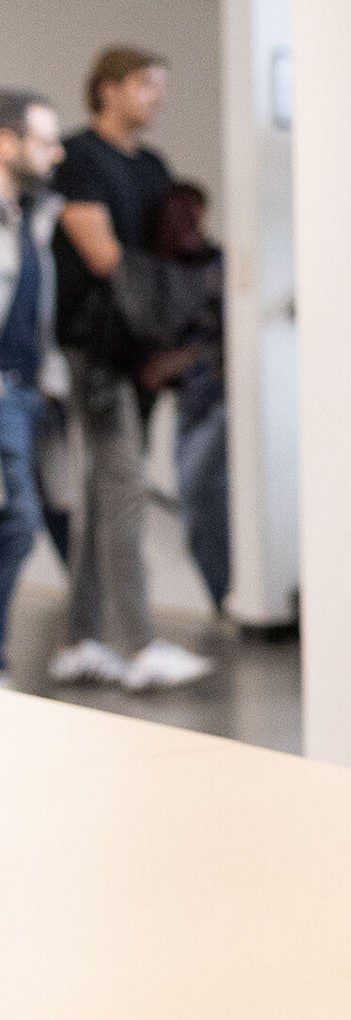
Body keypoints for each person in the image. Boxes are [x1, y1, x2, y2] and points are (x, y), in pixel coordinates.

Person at [49, 47, 212, 693]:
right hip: (97, 352)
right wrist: (162, 296)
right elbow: (100, 253)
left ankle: (78, 640)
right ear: (108, 89)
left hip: (141, 353)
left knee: (102, 495)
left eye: (161, 87)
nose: (157, 98)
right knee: (124, 489)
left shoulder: (152, 167)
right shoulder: (79, 159)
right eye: (145, 85)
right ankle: (139, 644)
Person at [135, 182, 229, 614]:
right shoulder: (160, 269)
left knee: (196, 491)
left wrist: (179, 361)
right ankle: (219, 596)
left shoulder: (215, 266)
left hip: (216, 399)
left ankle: (224, 595)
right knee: (190, 499)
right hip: (186, 403)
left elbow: (225, 335)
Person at [0, 88, 68, 682]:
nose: (57, 151)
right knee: (18, 518)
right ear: (6, 142)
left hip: (28, 389)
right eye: (44, 140)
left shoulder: (32, 215)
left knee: (30, 516)